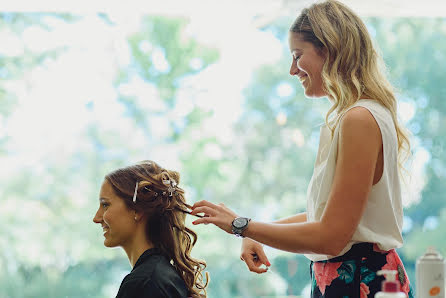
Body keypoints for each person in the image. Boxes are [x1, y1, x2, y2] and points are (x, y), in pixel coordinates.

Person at [190, 0, 414, 297]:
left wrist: (241, 226)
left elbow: (332, 236)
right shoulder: (358, 115)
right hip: (358, 279)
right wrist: (252, 229)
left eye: (298, 56)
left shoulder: (358, 119)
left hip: (359, 281)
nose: (292, 70)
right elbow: (325, 215)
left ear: (330, 49)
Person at [93, 160, 208, 298]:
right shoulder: (162, 276)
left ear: (137, 210)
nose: (96, 218)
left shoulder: (143, 284)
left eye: (105, 205)